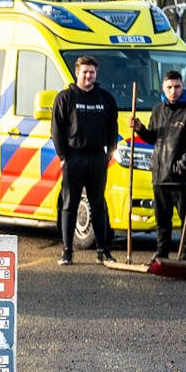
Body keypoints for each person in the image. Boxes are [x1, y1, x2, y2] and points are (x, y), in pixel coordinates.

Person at [129, 69, 186, 259]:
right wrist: (140, 129)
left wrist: (181, 165)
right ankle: (161, 252)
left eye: (177, 87)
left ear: (183, 87)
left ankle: (185, 254)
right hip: (159, 174)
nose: (173, 91)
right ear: (163, 88)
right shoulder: (158, 110)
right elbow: (153, 138)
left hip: (181, 177)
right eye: (169, 87)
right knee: (162, 219)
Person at [49, 55, 119, 264]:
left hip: (97, 158)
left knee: (98, 205)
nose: (88, 76)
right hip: (73, 157)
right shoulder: (65, 98)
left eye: (92, 72)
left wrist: (109, 154)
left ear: (96, 74)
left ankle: (102, 251)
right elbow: (56, 129)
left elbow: (112, 128)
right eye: (85, 72)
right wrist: (63, 157)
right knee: (69, 205)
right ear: (77, 73)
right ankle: (67, 251)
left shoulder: (105, 99)